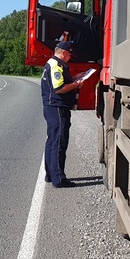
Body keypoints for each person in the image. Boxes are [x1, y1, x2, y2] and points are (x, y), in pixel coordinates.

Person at [41, 40, 83, 188]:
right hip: (57, 108)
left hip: (52, 107)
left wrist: (75, 78)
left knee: (52, 141)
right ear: (64, 53)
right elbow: (59, 88)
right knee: (59, 142)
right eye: (70, 54)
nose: (70, 57)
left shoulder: (52, 64)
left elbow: (59, 83)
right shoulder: (56, 66)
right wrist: (76, 84)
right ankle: (59, 179)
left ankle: (50, 175)